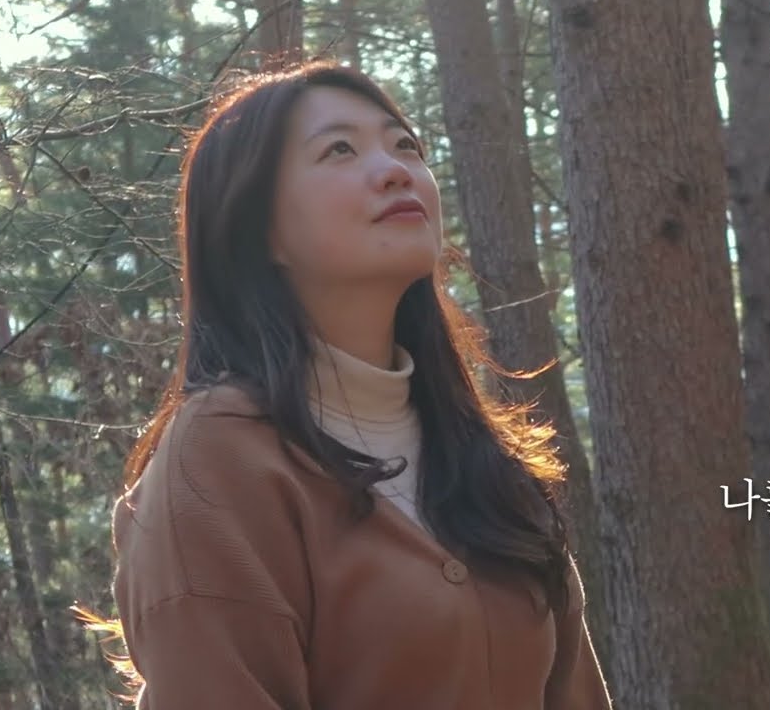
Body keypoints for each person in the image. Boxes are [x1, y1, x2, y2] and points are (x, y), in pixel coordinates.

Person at [108, 59, 614, 709]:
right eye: (340, 150)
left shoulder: (485, 459)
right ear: (258, 230)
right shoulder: (217, 461)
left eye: (406, 146)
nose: (396, 170)